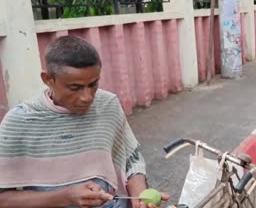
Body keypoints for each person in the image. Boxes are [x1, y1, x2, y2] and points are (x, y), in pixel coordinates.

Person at [0, 36, 166, 208]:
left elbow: (132, 160)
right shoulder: (20, 121)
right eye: (75, 88)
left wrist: (140, 197)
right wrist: (66, 197)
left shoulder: (108, 105)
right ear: (48, 79)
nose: (87, 97)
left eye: (93, 84)